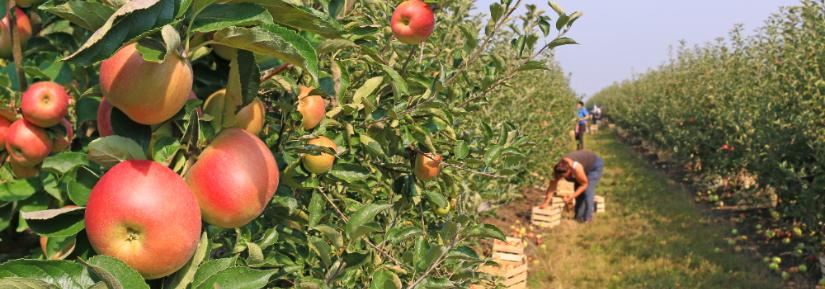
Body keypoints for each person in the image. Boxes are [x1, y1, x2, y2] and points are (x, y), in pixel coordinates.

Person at [539, 150, 605, 223]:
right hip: (582, 167)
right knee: (577, 190)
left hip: (594, 166)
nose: (562, 178)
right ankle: (579, 217)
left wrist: (571, 196)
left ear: (569, 170)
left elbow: (584, 184)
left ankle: (588, 218)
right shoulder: (558, 169)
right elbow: (552, 187)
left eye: (564, 176)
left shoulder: (576, 167)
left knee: (588, 191)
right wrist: (546, 202)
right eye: (560, 177)